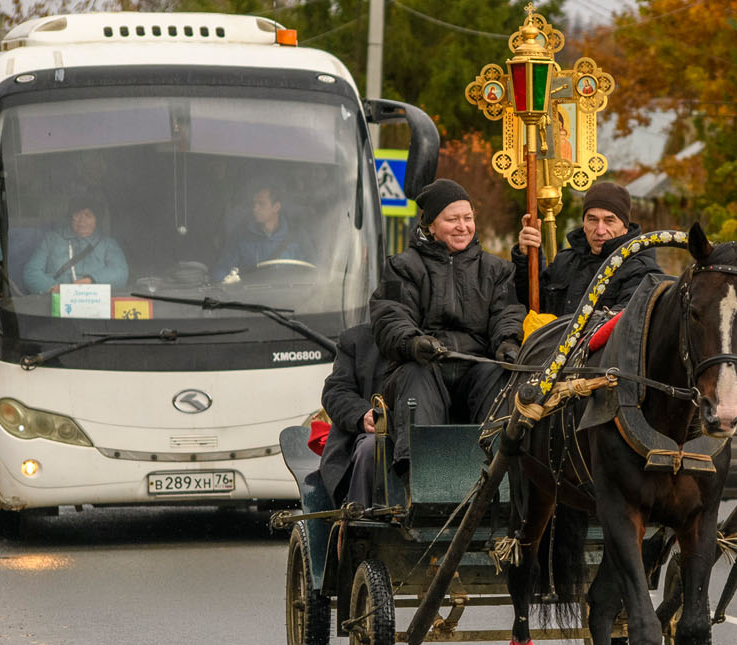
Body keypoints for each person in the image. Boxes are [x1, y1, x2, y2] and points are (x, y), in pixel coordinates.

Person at [370, 178, 526, 470]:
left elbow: (508, 312)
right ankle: (420, 473)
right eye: (452, 219)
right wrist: (413, 342)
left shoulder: (496, 269)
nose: (462, 226)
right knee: (416, 375)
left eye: (468, 218)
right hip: (424, 362)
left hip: (475, 365)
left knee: (497, 373)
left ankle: (499, 469)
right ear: (430, 225)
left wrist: (508, 341)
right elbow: (390, 315)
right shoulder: (402, 267)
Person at [512, 180, 663, 319]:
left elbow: (623, 325)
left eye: (609, 221)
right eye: (592, 219)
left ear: (624, 227)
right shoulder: (565, 261)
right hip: (553, 347)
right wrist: (526, 257)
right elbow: (530, 302)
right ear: (584, 223)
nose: (600, 230)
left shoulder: (641, 270)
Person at [317, 324, 385, 510]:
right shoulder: (355, 340)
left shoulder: (445, 337)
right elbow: (336, 391)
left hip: (429, 436)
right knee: (372, 450)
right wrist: (362, 415)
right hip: (367, 437)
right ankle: (358, 527)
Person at [23, 198, 129, 293]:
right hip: (55, 302)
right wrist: (52, 288)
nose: (82, 220)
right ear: (71, 217)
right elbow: (31, 272)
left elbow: (120, 272)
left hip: (94, 304)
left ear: (97, 220)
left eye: (88, 215)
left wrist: (90, 280)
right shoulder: (52, 239)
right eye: (77, 214)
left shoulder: (108, 244)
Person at [216, 186, 310, 281]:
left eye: (261, 204)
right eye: (254, 203)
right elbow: (222, 270)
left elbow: (315, 270)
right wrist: (226, 281)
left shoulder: (297, 235)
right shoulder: (241, 236)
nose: (255, 208)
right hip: (251, 294)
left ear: (276, 207)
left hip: (291, 293)